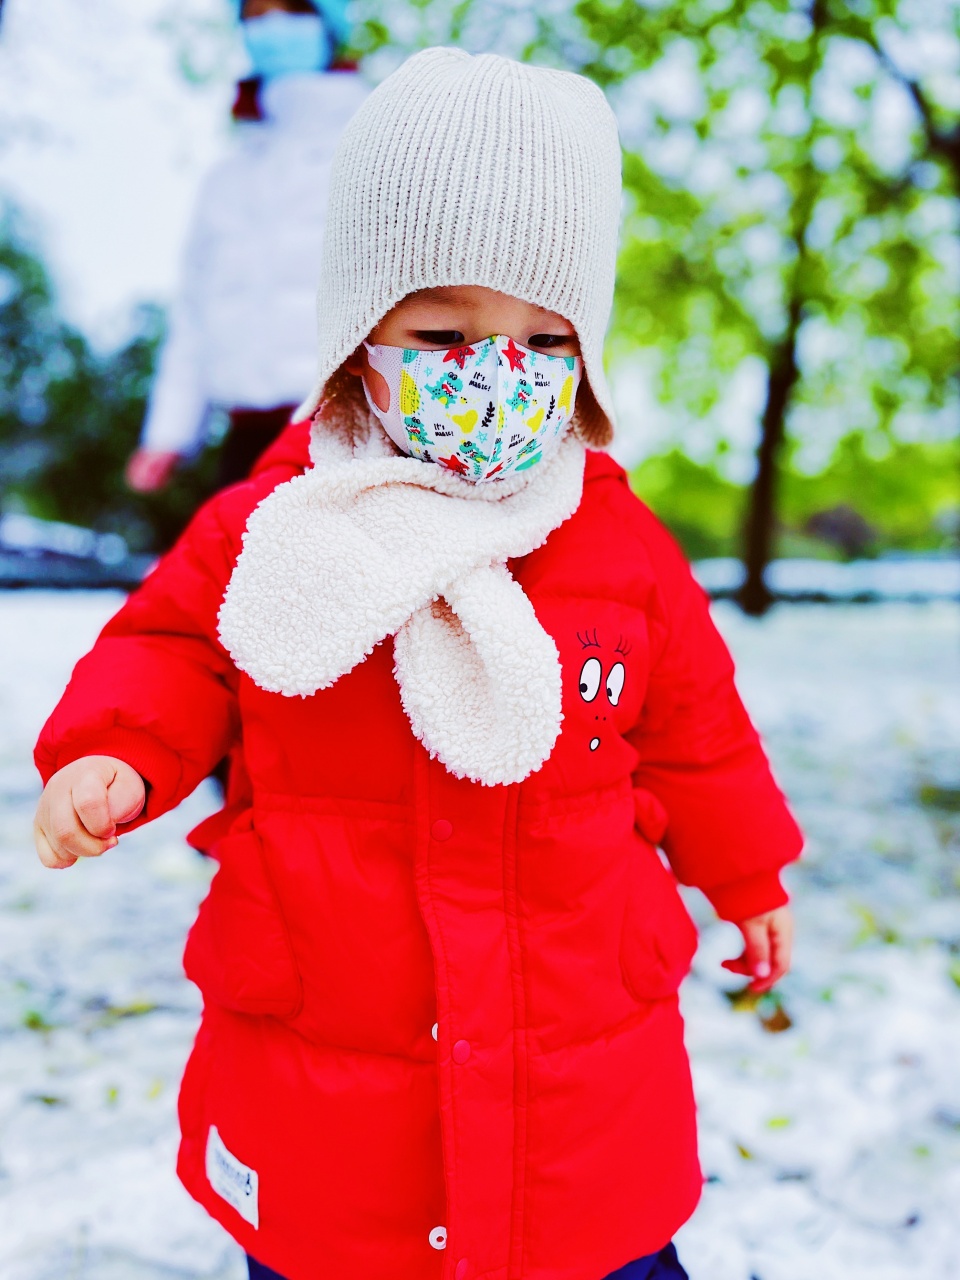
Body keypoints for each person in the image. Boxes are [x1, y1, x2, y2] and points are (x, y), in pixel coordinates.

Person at [33, 49, 802, 1280]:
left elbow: (698, 728)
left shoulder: (613, 537)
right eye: (442, 330)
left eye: (541, 337)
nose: (495, 372)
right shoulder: (277, 522)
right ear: (357, 337)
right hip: (329, 1080)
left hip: (577, 1087)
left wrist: (749, 868)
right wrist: (116, 752)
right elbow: (171, 648)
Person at [125, 0, 367, 494]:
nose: (272, 28)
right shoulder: (228, 175)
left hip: (345, 431)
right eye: (255, 15)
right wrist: (167, 433)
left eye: (289, 9)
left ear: (325, 24)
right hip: (246, 439)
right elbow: (195, 310)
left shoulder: (376, 147)